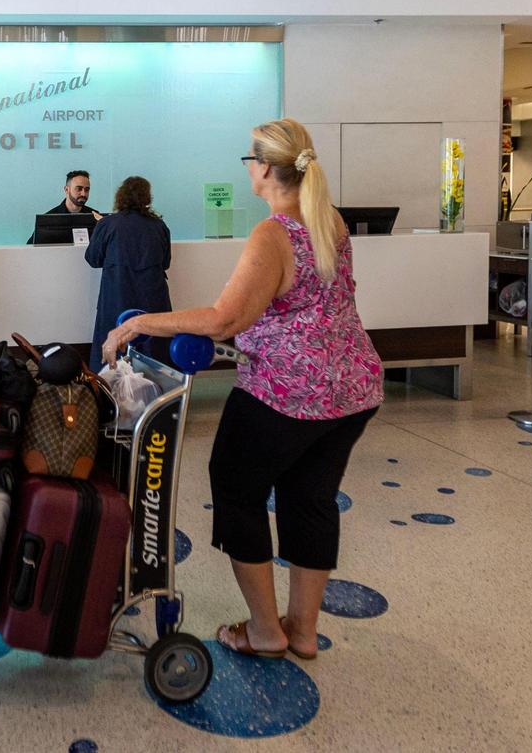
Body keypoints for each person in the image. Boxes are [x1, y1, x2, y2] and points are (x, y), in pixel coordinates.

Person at [101, 119, 383, 661]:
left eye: (247, 159)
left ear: (261, 168)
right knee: (311, 500)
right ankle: (301, 631)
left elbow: (223, 318)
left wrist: (138, 325)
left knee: (236, 490)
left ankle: (264, 630)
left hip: (286, 394)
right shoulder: (330, 221)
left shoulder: (273, 234)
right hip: (351, 391)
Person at [84, 175, 172, 372]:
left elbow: (93, 259)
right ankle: (156, 393)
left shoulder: (108, 224)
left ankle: (110, 394)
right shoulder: (159, 226)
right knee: (154, 345)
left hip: (117, 295)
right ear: (147, 197)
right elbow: (166, 263)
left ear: (120, 197)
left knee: (113, 341)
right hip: (153, 295)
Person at [26, 170, 98, 244]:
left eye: (87, 190)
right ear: (66, 190)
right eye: (79, 189)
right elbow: (30, 248)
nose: (83, 193)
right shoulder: (48, 220)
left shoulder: (95, 218)